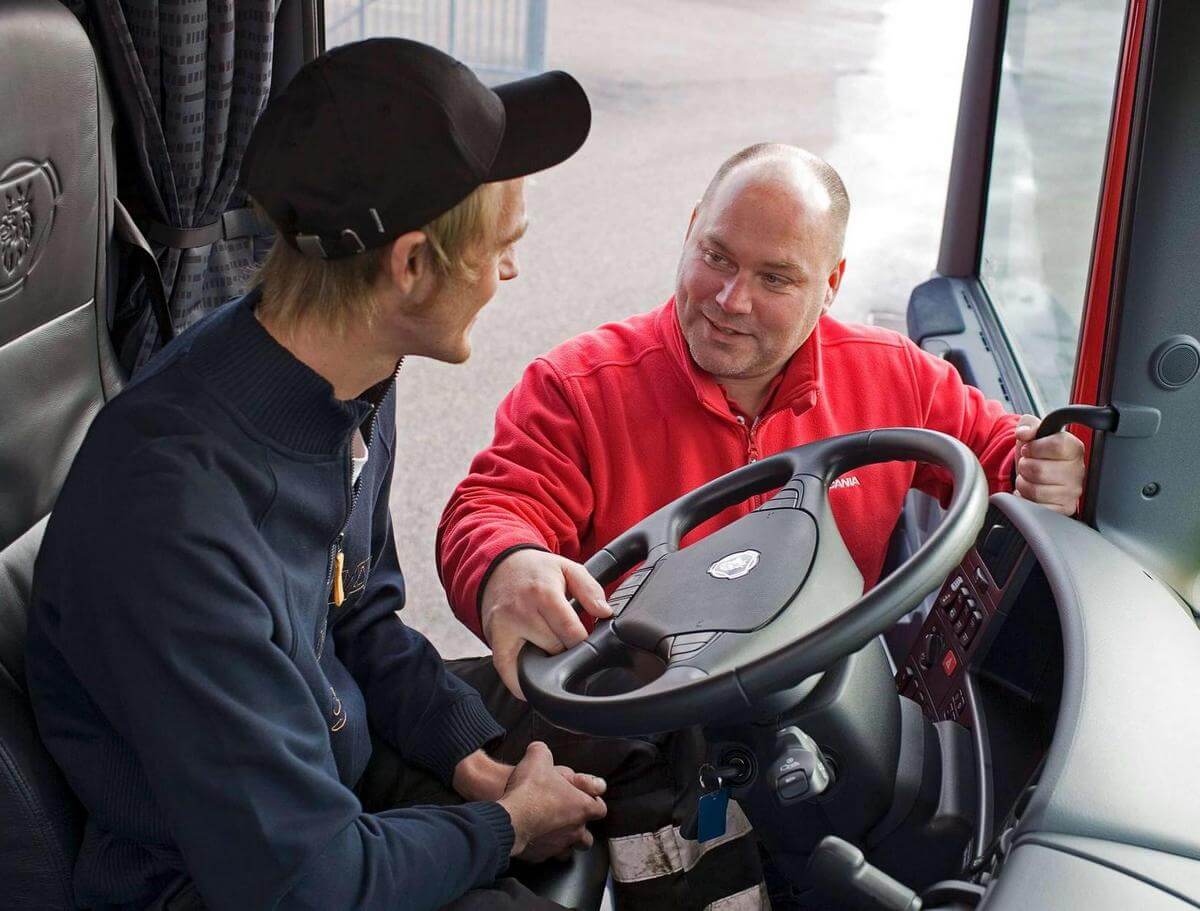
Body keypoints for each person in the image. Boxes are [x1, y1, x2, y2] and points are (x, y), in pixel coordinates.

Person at [26, 39, 607, 911]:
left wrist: (463, 748)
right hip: (228, 879)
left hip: (334, 771)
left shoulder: (355, 373)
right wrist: (507, 826)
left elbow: (359, 610)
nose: (511, 272)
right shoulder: (172, 516)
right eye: (501, 247)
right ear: (410, 266)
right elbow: (304, 880)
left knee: (629, 705)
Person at [436, 143, 1086, 908]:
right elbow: (490, 509)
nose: (730, 298)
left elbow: (995, 446)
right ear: (690, 232)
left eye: (774, 277)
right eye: (715, 256)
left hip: (819, 709)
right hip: (647, 714)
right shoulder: (580, 386)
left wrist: (1043, 462)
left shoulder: (894, 375)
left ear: (832, 283)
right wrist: (507, 561)